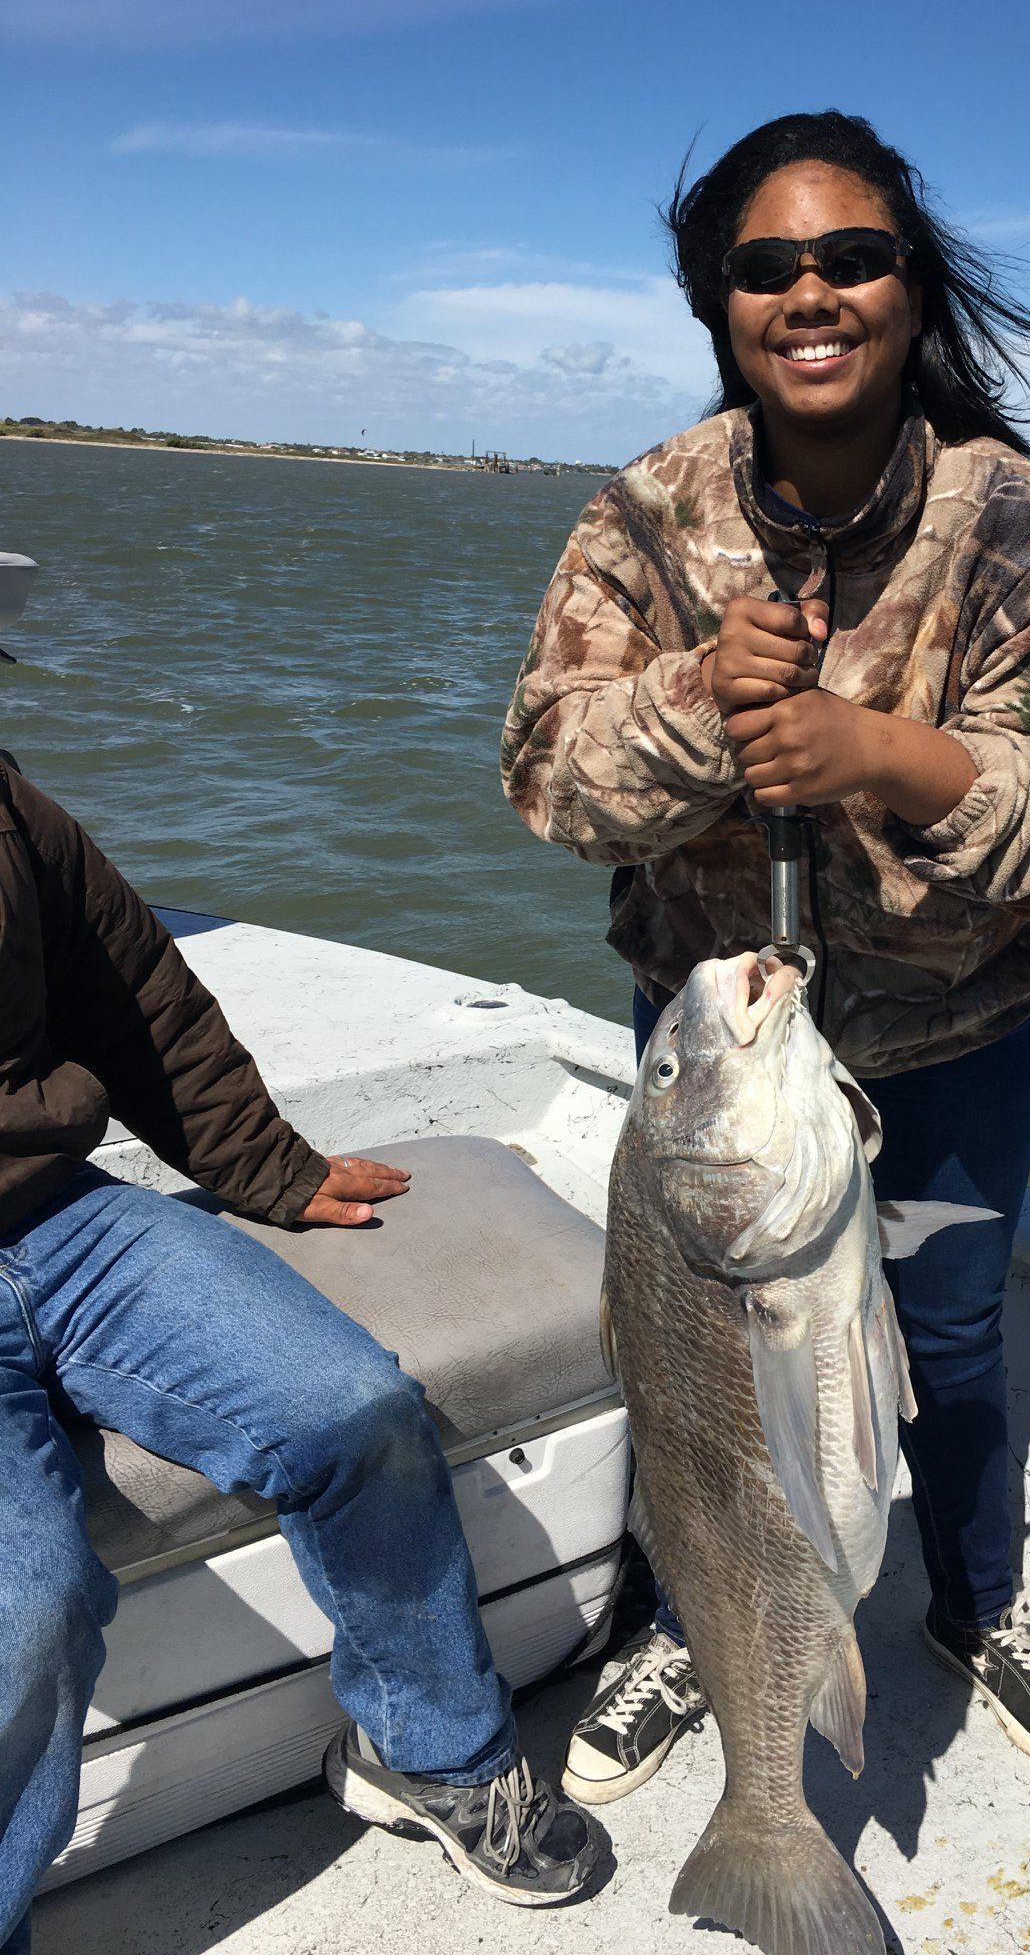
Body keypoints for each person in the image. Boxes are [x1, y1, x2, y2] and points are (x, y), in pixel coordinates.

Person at [500, 110, 1030, 1803]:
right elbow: (549, 777)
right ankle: (684, 1623)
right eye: (766, 266)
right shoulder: (644, 519)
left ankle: (974, 1604)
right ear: (718, 302)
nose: (812, 290)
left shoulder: (1016, 524)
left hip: (949, 1038)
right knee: (688, 1357)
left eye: (851, 257)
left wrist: (888, 760)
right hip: (714, 1056)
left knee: (940, 1348)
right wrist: (693, 702)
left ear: (908, 282)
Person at [0, 761, 604, 1955]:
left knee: (351, 1406)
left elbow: (135, 994)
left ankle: (435, 1753)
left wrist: (271, 1168)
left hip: (63, 1220)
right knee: (27, 1602)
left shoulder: (11, 812)